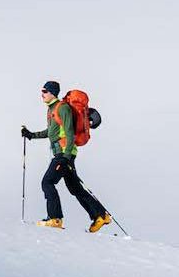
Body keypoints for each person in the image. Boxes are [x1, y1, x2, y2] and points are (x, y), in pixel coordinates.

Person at [20, 81, 111, 232]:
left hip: (64, 153)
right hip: (62, 153)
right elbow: (51, 132)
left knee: (47, 182)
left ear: (52, 92)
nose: (42, 94)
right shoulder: (52, 110)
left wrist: (66, 156)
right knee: (74, 187)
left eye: (44, 91)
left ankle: (55, 219)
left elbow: (69, 132)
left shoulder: (62, 108)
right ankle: (100, 215)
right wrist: (31, 135)